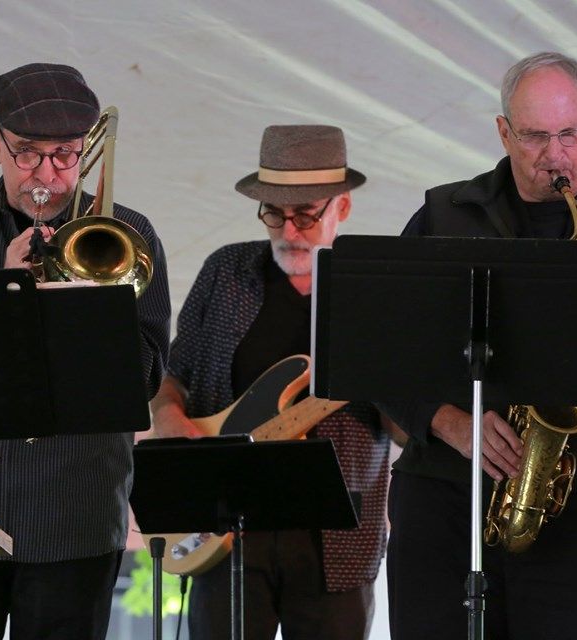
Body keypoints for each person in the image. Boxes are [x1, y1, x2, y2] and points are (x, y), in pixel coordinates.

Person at [384, 51, 577, 640]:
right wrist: (449, 422)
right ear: (503, 132)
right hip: (449, 498)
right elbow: (378, 353)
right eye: (535, 136)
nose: (556, 155)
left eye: (570, 134)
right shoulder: (444, 216)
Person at [0, 62, 171, 640]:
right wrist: (2, 292)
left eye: (65, 154)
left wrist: (88, 314)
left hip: (73, 505)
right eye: (27, 154)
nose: (47, 175)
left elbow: (143, 381)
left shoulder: (127, 233)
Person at [151, 125, 401, 639]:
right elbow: (175, 376)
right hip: (227, 527)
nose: (289, 231)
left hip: (337, 536)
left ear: (342, 207)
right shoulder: (226, 271)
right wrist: (168, 416)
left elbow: (404, 428)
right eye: (273, 214)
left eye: (306, 214)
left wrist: (392, 379)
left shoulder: (376, 290)